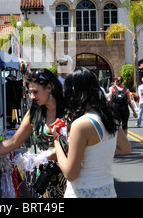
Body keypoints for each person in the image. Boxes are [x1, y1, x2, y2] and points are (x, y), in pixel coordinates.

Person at [0, 68, 66, 197]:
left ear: (49, 88)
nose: (32, 96)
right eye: (30, 92)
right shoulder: (34, 113)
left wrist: (60, 153)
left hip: (67, 176)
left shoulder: (68, 112)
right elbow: (14, 141)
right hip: (44, 179)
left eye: (35, 92)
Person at [52, 67, 131, 198]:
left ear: (73, 90)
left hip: (82, 192)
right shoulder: (109, 117)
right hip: (107, 191)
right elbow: (125, 148)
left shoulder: (81, 124)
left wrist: (56, 139)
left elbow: (70, 174)